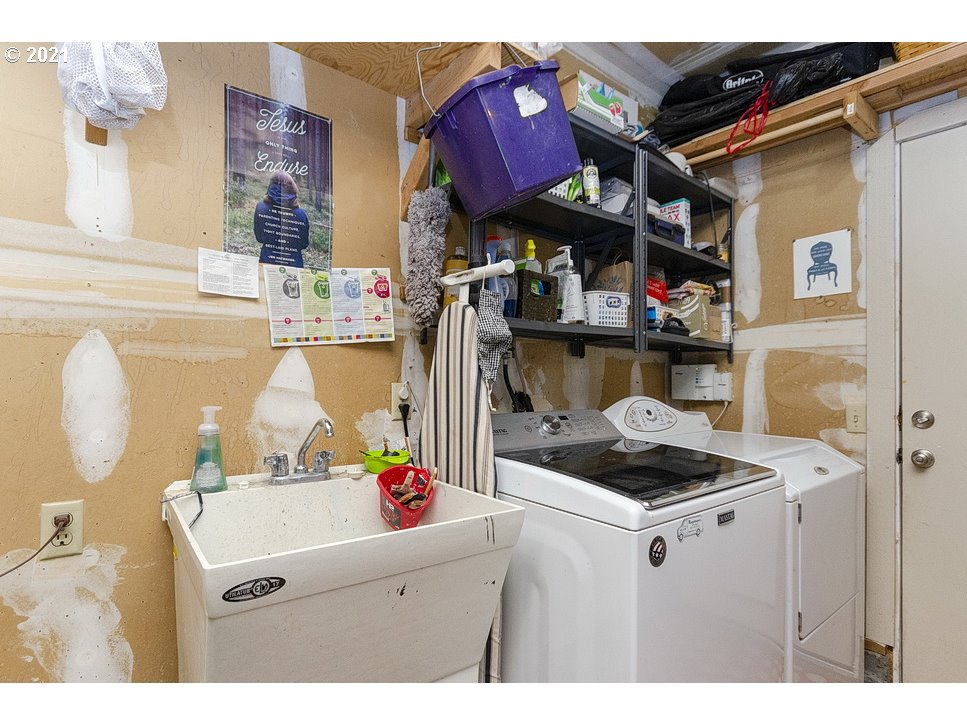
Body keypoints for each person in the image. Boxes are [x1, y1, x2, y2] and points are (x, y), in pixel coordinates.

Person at [253, 171, 311, 267]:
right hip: (294, 265)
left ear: (270, 185)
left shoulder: (260, 208)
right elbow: (304, 244)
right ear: (292, 188)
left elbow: (259, 238)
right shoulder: (302, 215)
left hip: (267, 261)